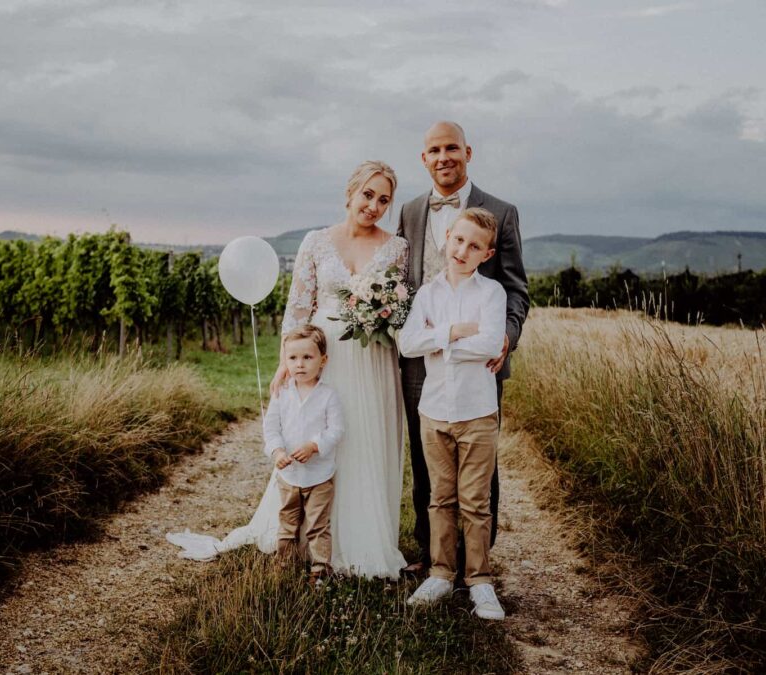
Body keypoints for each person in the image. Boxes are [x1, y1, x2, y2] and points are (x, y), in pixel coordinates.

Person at [168, 160, 408, 579]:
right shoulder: (316, 242)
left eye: (384, 199)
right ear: (350, 192)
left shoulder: (396, 248)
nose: (374, 205)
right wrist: (286, 361)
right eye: (368, 194)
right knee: (311, 435)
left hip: (372, 360)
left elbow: (399, 307)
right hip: (322, 356)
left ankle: (362, 542)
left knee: (363, 440)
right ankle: (300, 536)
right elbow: (298, 308)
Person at [397, 121, 529, 576]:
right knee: (424, 455)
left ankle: (476, 561)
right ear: (424, 158)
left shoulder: (502, 211)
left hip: (481, 364)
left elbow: (515, 289)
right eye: (434, 149)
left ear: (468, 152)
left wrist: (506, 336)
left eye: (451, 147)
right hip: (422, 360)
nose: (443, 157)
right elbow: (404, 285)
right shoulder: (410, 211)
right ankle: (431, 553)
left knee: (478, 466)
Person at [398, 208, 508, 620]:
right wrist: (452, 332)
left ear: (487, 253)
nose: (463, 250)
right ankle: (441, 573)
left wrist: (440, 345)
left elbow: (491, 342)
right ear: (447, 238)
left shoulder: (491, 294)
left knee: (476, 501)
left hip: (477, 413)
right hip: (435, 411)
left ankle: (479, 581)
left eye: (474, 246)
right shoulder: (428, 293)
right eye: (458, 240)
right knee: (440, 498)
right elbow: (407, 344)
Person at [262, 324, 343, 583]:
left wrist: (314, 445)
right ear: (285, 361)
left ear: (323, 360)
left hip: (320, 474)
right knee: (287, 523)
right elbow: (271, 427)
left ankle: (320, 569)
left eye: (307, 357)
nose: (300, 364)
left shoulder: (328, 395)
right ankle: (283, 564)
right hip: (289, 475)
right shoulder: (281, 394)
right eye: (293, 358)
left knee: (318, 525)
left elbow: (337, 429)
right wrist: (276, 452)